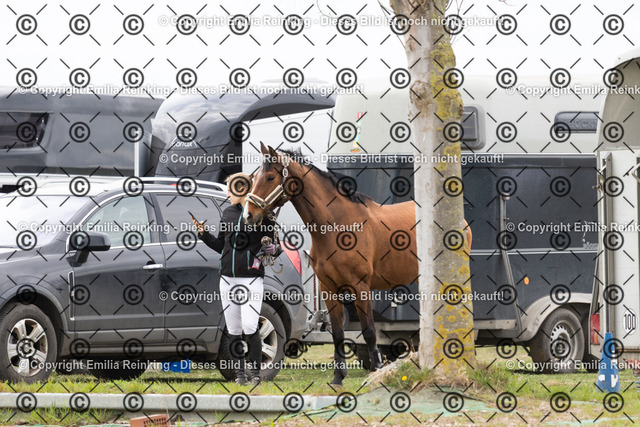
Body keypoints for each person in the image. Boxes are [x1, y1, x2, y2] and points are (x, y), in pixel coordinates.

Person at [193, 172, 279, 385]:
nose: (227, 194)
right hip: (227, 279)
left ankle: (256, 375)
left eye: (230, 189)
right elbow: (221, 245)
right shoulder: (228, 213)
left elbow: (275, 248)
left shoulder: (263, 215)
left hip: (251, 279)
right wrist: (203, 234)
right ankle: (241, 376)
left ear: (242, 190)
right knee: (233, 329)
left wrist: (272, 249)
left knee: (250, 326)